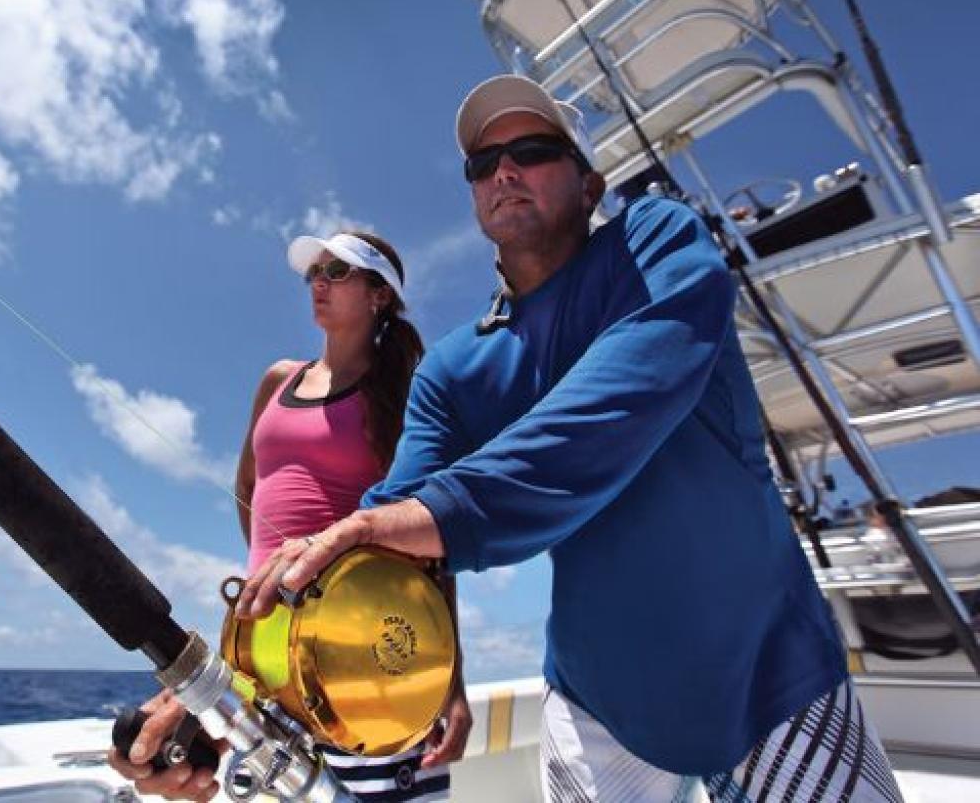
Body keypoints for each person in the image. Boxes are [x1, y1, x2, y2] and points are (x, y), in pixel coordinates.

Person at [238, 75, 905, 802]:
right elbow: (389, 520)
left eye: (532, 149)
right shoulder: (454, 371)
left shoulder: (657, 242)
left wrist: (434, 514)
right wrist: (228, 677)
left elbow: (621, 399)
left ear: (590, 186)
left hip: (775, 673)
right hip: (598, 698)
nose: (505, 171)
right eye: (482, 164)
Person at [108, 230, 471, 802]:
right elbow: (247, 485)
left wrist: (451, 680)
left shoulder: (406, 393)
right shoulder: (279, 379)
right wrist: (267, 584)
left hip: (366, 642)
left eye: (337, 271)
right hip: (265, 639)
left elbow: (432, 535)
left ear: (379, 294)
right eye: (314, 274)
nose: (318, 283)